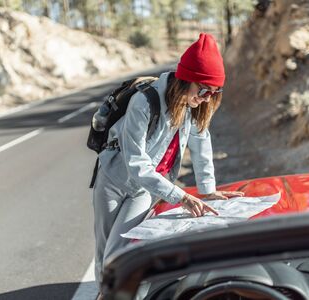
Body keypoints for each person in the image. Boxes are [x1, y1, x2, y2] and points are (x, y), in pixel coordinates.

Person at [92, 32, 244, 289]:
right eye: (204, 89)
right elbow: (136, 162)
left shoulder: (194, 106)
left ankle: (116, 293)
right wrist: (181, 196)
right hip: (113, 178)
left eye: (214, 92)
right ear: (186, 79)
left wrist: (208, 191)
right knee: (103, 249)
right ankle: (103, 293)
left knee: (119, 252)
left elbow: (201, 144)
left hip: (143, 188)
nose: (206, 97)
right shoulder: (144, 100)